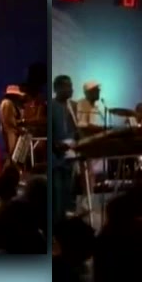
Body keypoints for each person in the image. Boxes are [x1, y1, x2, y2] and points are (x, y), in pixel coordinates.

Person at [51, 75, 78, 220]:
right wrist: (55, 145)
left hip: (69, 156)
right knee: (57, 192)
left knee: (68, 191)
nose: (71, 89)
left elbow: (75, 130)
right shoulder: (52, 106)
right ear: (57, 88)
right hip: (55, 158)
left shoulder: (72, 106)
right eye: (67, 86)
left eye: (71, 86)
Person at [0, 85, 25, 158]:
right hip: (10, 131)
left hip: (10, 130)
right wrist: (18, 128)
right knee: (13, 153)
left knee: (12, 153)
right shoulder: (8, 103)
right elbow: (9, 119)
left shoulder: (7, 103)